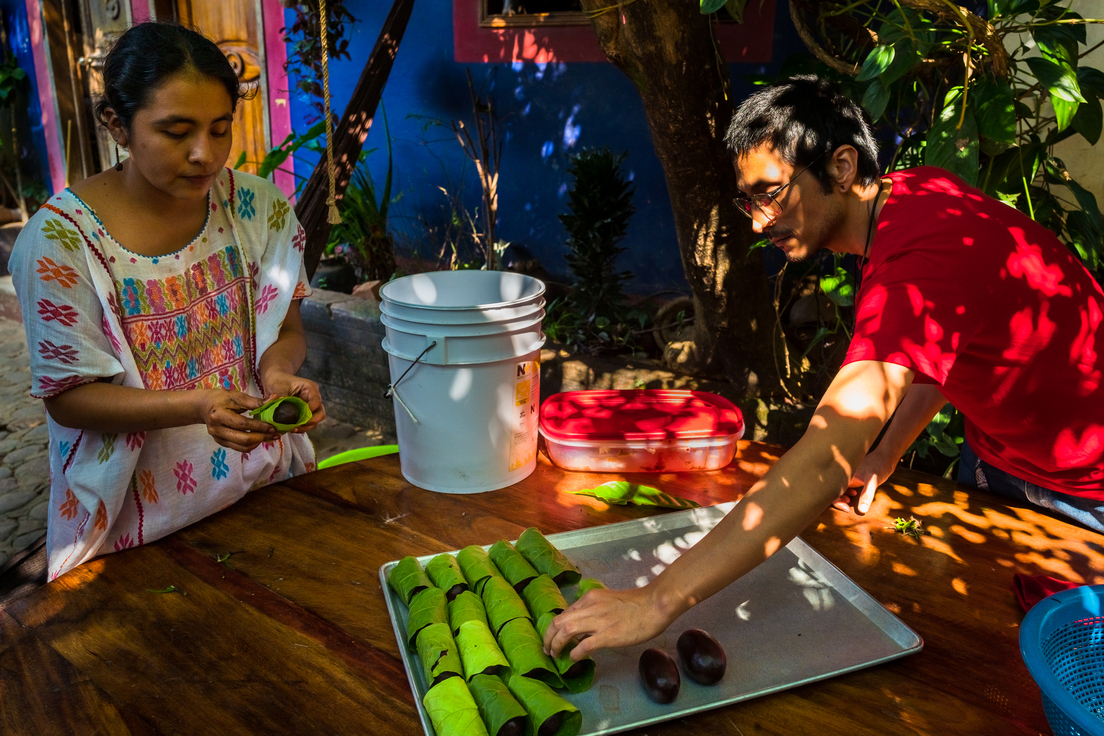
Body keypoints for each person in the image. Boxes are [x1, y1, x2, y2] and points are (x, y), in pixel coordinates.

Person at [543, 74, 1104, 660]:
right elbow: (945, 350)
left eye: (771, 192)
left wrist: (655, 600)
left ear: (841, 166)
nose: (758, 221)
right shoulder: (911, 195)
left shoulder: (920, 260)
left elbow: (823, 459)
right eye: (749, 200)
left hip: (1088, 488)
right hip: (997, 458)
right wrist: (885, 452)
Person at [9, 22, 325, 582]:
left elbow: (285, 330)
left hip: (264, 488)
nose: (205, 154)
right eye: (176, 131)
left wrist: (277, 376)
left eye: (220, 129)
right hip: (128, 528)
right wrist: (198, 405)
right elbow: (69, 398)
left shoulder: (259, 209)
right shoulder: (58, 243)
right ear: (117, 125)